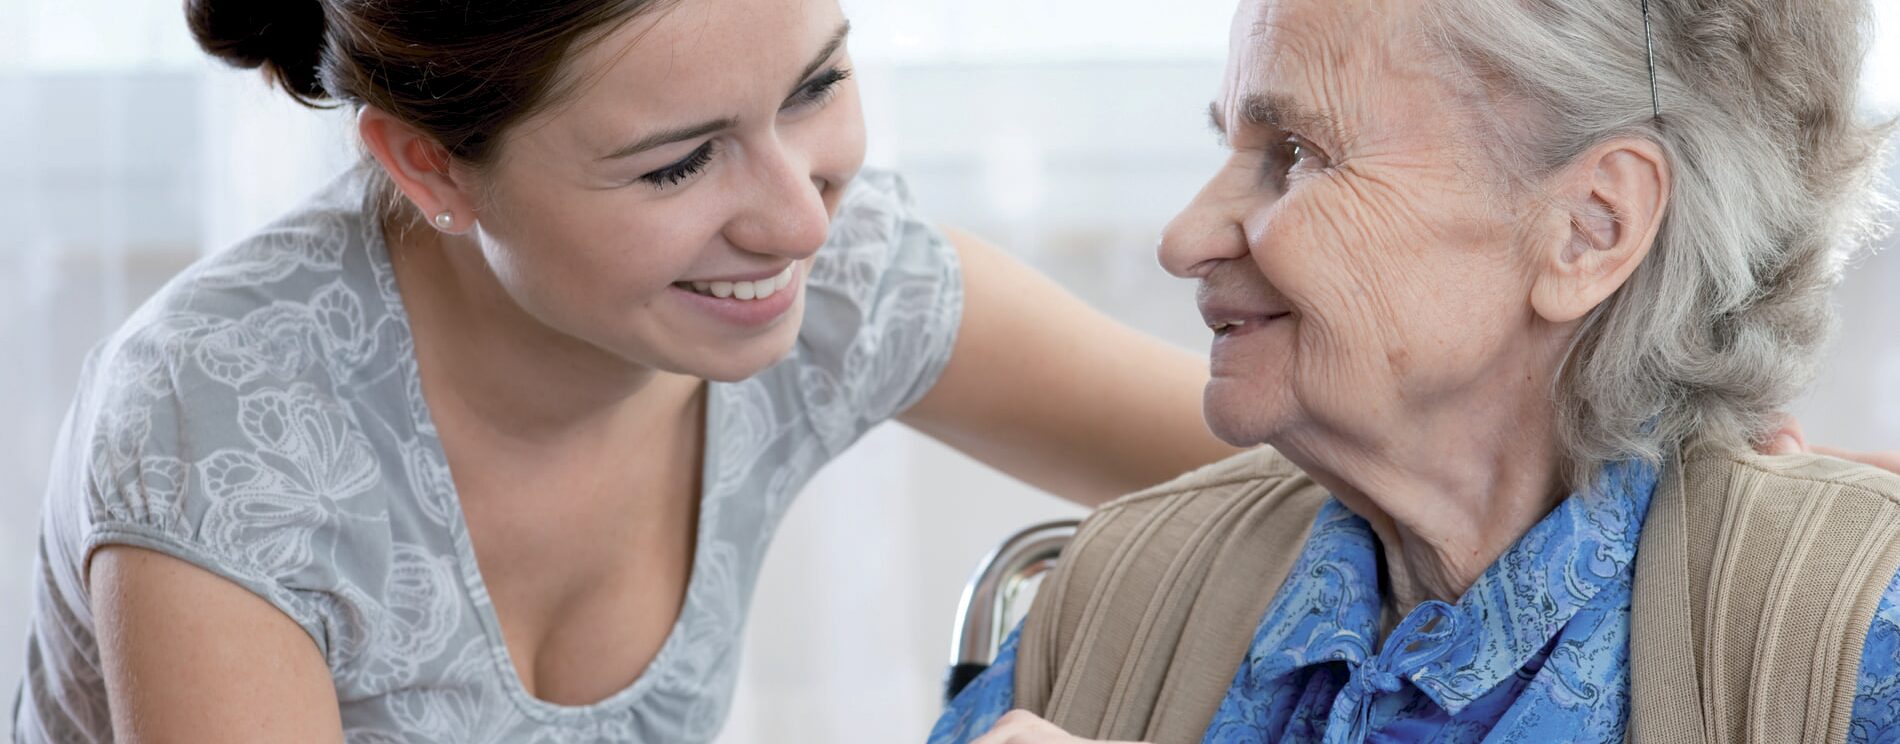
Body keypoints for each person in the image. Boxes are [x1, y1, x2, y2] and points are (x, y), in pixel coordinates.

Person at [8, 0, 1246, 741]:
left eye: (815, 84)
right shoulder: (221, 430)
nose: (798, 221)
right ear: (429, 167)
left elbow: (1307, 458)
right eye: (675, 165)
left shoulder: (838, 285)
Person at [931, 0, 1900, 741]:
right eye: (1228, 143)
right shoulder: (1120, 591)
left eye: (1296, 154)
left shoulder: (1848, 638)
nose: (1184, 239)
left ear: (1588, 228)